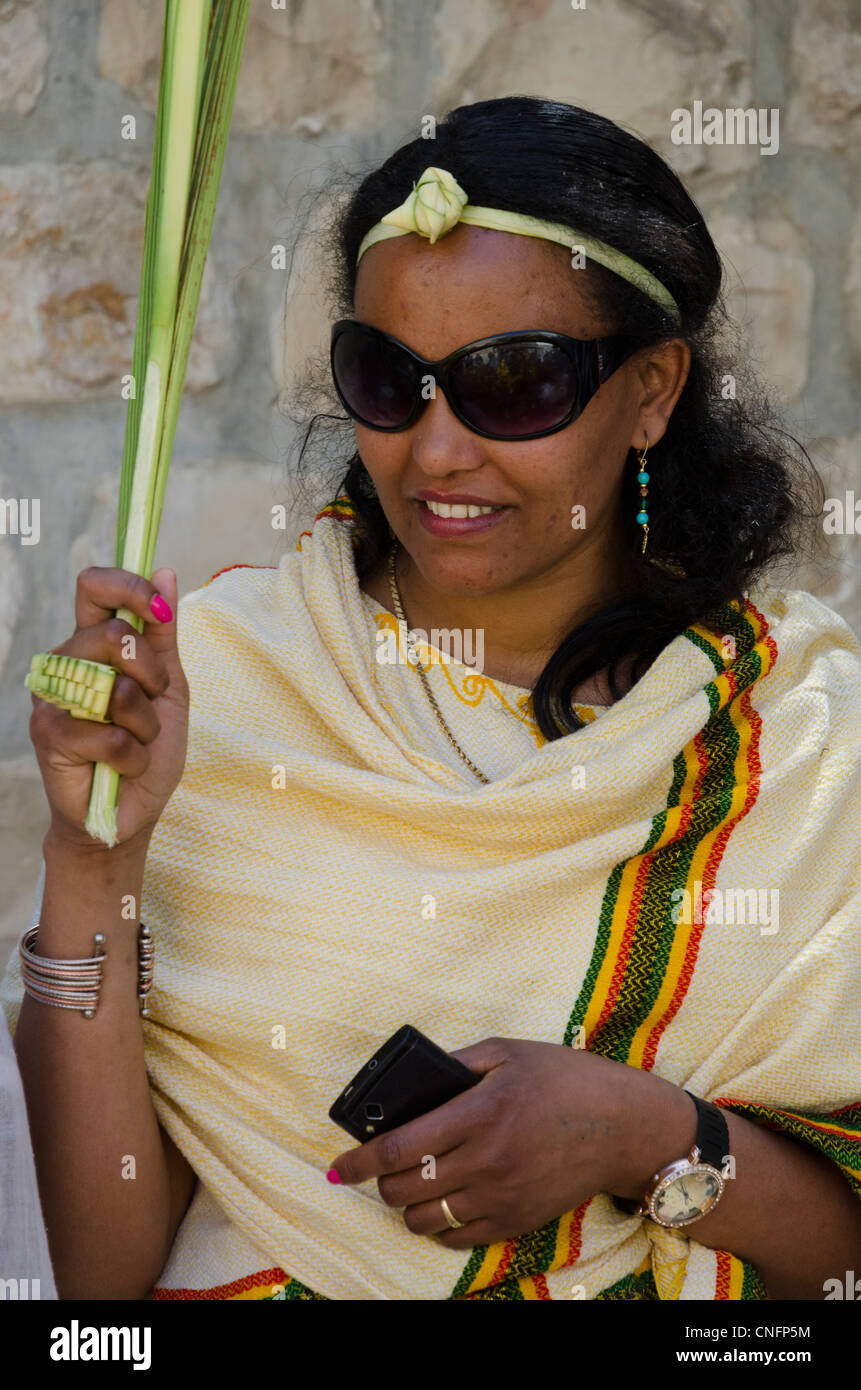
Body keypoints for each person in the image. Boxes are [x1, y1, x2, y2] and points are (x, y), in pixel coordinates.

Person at [3, 96, 861, 1302]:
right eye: (389, 379)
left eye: (513, 381)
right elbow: (103, 1281)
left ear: (655, 389)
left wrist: (646, 1134)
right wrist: (93, 855)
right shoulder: (217, 690)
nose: (438, 449)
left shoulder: (810, 751)